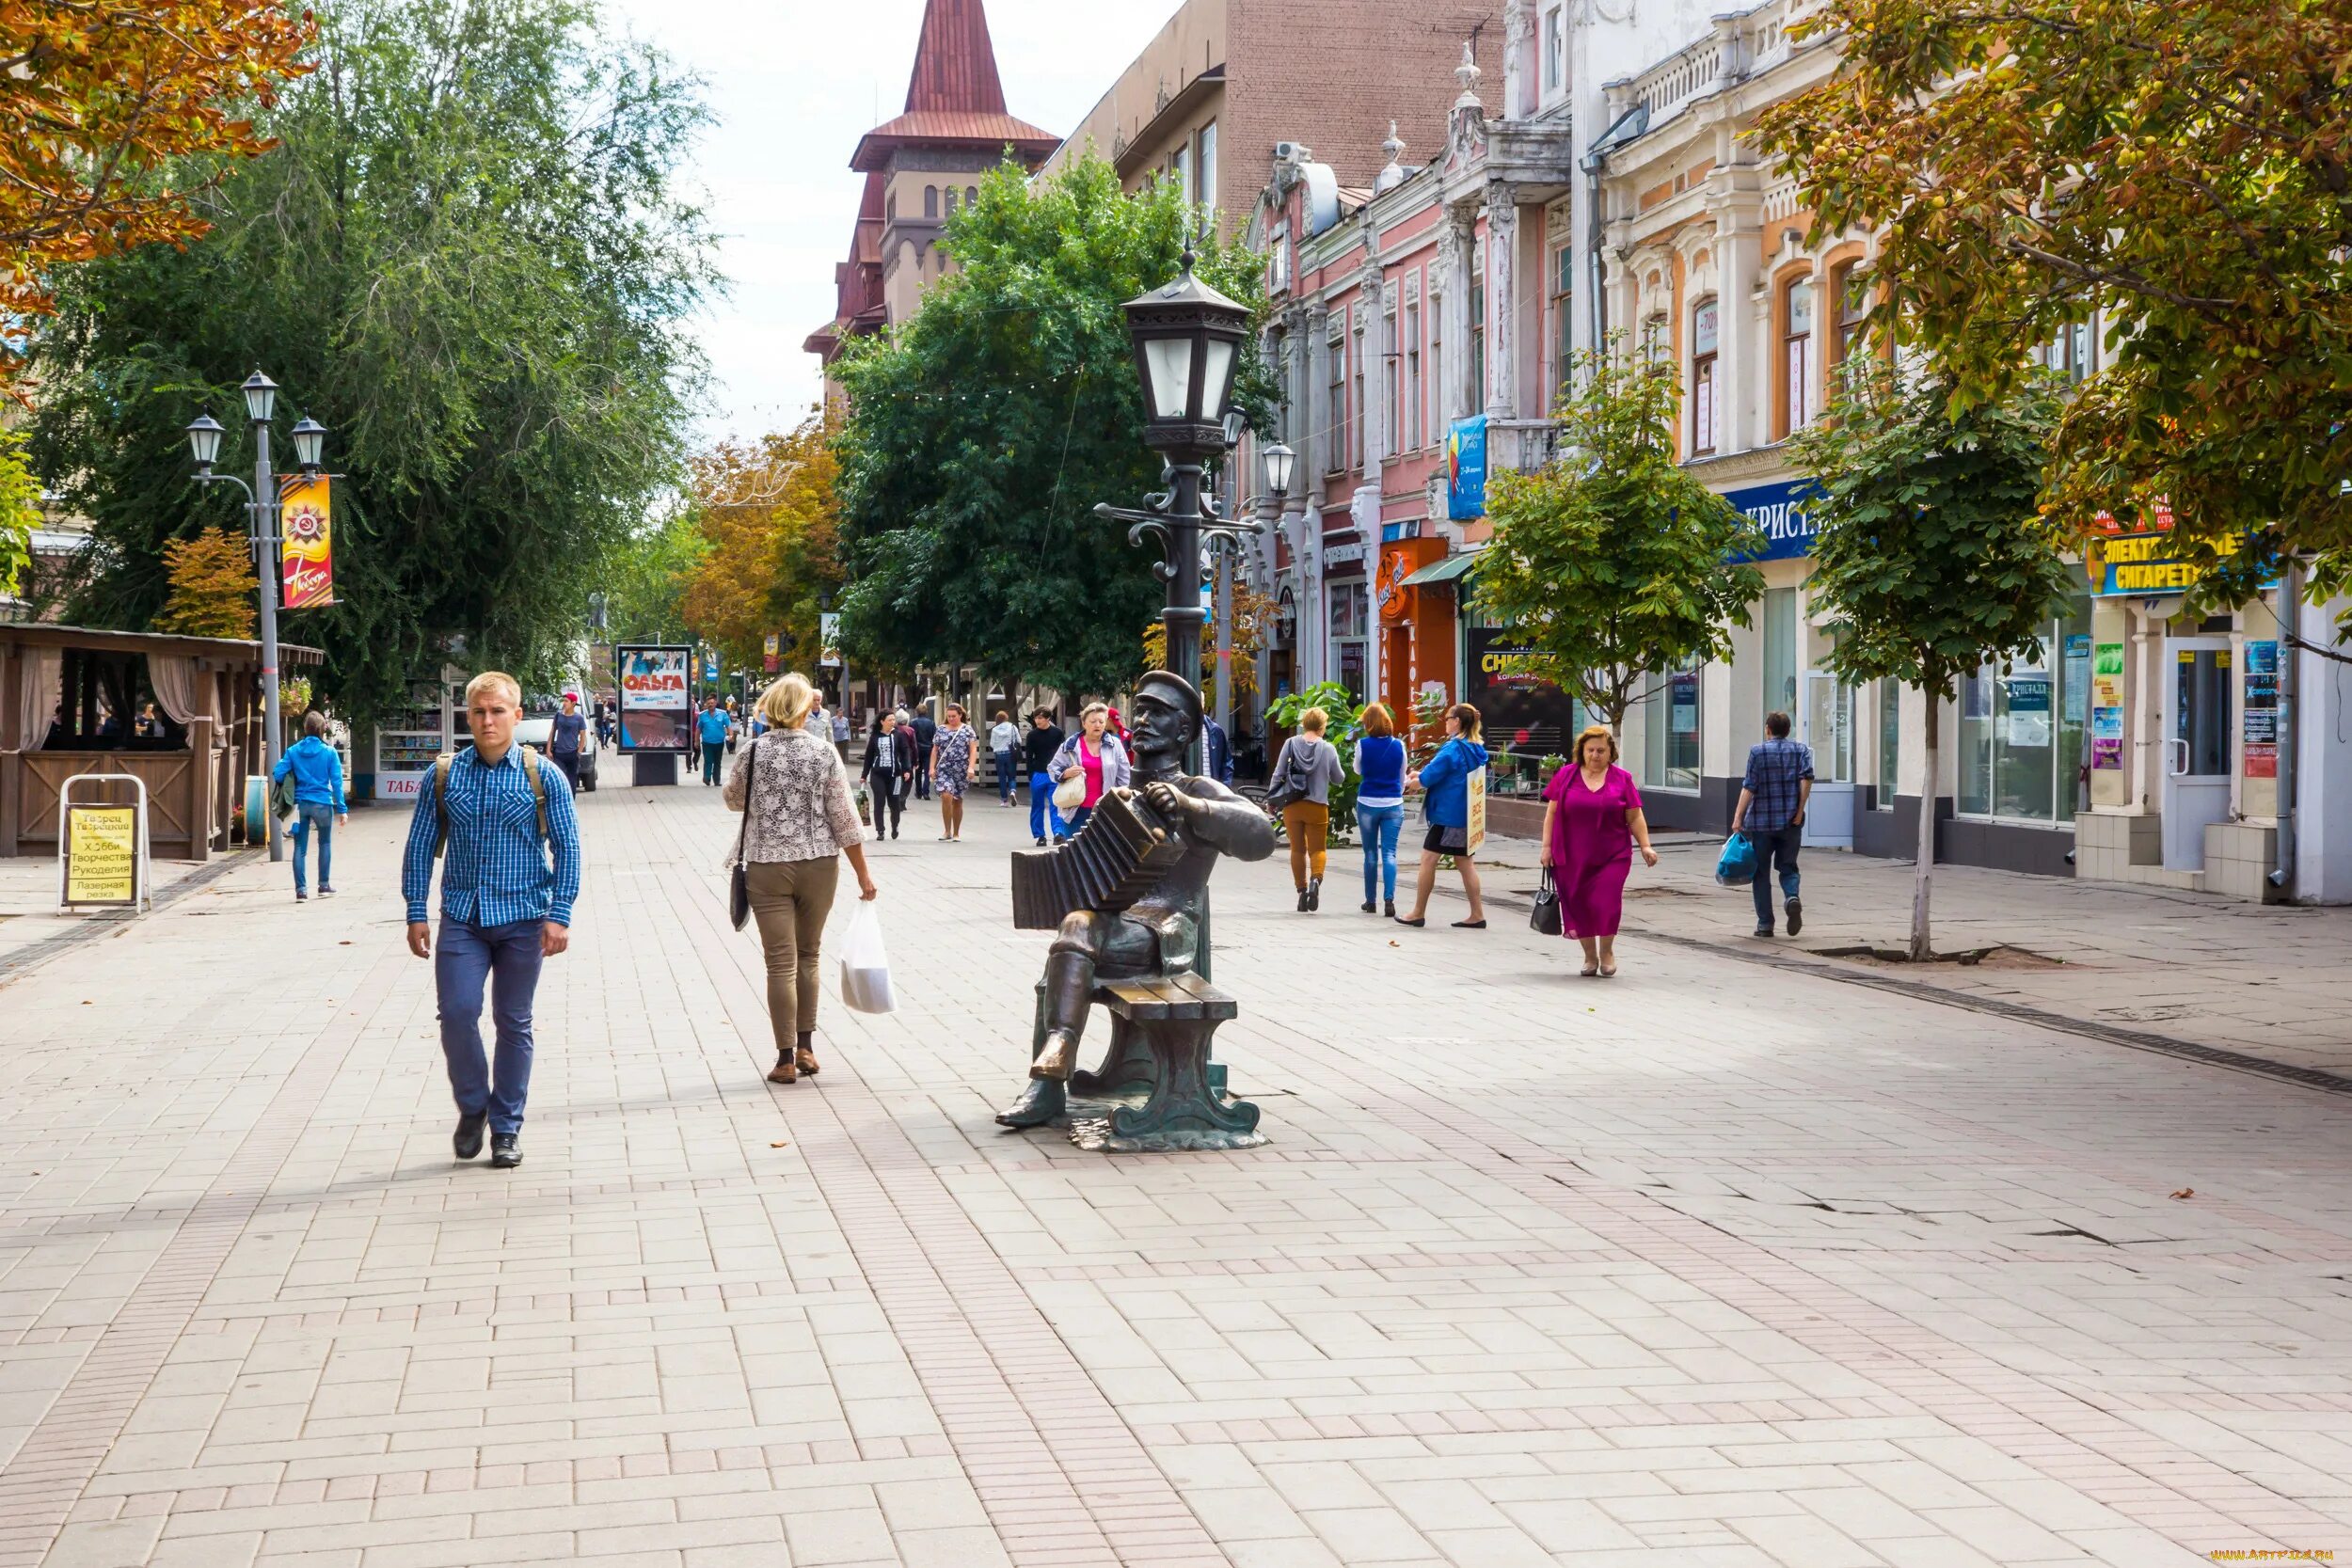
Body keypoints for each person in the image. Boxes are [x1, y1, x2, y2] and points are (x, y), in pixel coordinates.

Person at [996, 673, 1276, 1131]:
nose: (1141, 720)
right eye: (1139, 710)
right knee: (1071, 941)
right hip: (1118, 927)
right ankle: (1048, 1081)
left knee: (1076, 934)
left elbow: (1261, 837)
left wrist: (1190, 807)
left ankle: (1049, 1078)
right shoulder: (1120, 795)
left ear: (1184, 731)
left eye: (1157, 713)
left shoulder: (1197, 789)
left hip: (1166, 933)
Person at [401, 671, 581, 1170]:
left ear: (516, 716)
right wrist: (416, 910)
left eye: (497, 711)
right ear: (467, 716)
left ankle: (505, 1128)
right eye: (479, 712)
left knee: (512, 1021)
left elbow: (567, 849)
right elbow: (418, 847)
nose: (487, 720)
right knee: (457, 1013)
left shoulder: (544, 776)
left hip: (525, 918)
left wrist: (559, 915)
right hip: (463, 916)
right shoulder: (443, 775)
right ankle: (474, 1104)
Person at [725, 673, 879, 1085]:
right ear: (802, 709)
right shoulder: (824, 753)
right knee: (809, 955)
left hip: (766, 865)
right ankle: (808, 1048)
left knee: (780, 963)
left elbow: (733, 800)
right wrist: (864, 875)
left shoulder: (752, 751)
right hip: (819, 865)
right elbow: (845, 820)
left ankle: (785, 1059)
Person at [1541, 724, 1660, 977]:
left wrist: (1645, 845)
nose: (1595, 755)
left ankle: (1606, 952)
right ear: (1582, 751)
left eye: (1601, 751)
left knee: (1606, 901)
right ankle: (1589, 956)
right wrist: (1546, 847)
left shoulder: (1622, 778)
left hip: (1612, 854)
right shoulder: (1566, 776)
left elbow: (1635, 815)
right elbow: (1551, 813)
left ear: (1610, 752)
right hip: (1571, 855)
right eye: (1591, 750)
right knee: (1578, 903)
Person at [1399, 704, 1490, 928]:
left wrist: (1412, 780)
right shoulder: (1476, 748)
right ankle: (1477, 914)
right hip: (1468, 814)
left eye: (1448, 718)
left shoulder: (1452, 749)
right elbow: (1447, 775)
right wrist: (1421, 776)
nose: (1445, 721)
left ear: (1457, 721)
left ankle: (1418, 912)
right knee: (1465, 862)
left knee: (1429, 859)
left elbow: (1428, 778)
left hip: (1447, 816)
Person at [1733, 710, 1815, 938]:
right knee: (1788, 867)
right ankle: (1791, 896)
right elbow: (1806, 779)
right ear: (1788, 731)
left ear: (1768, 729)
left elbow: (1750, 786)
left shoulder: (1757, 752)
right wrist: (1799, 810)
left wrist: (1738, 816)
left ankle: (1765, 924)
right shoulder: (1801, 750)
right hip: (1791, 822)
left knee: (1760, 872)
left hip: (1761, 823)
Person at [1269, 706, 1343, 912]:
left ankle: (1302, 892)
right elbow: (1339, 779)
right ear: (1322, 726)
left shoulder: (1290, 744)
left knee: (1297, 849)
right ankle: (1315, 881)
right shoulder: (1328, 749)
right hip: (1318, 806)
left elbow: (1278, 773)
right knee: (1317, 849)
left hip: (1292, 805)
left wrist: (1271, 798)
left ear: (1304, 725)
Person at [271, 710, 348, 901]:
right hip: (323, 803)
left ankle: (301, 891)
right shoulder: (329, 752)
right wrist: (342, 809)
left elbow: (278, 773)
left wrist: (293, 777)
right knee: (325, 843)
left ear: (305, 729)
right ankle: (323, 886)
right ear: (323, 729)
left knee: (299, 848)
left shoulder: (293, 751)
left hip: (300, 805)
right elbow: (337, 782)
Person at [1352, 703, 1406, 917]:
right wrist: (1397, 791)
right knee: (1390, 853)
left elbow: (1357, 769)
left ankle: (1370, 901)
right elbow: (1402, 775)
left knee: (1370, 853)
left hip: (1367, 802)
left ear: (1368, 723)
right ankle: (1389, 899)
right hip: (1393, 803)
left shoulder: (1362, 744)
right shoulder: (1398, 745)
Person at [1048, 703, 1129, 838]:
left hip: (1105, 810)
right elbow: (1052, 769)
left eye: (1101, 721)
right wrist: (1065, 774)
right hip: (1076, 809)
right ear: (1084, 723)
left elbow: (1124, 777)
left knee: (1103, 853)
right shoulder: (1071, 745)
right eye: (1093, 721)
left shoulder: (1115, 745)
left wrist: (1121, 803)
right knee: (1074, 852)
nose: (1097, 725)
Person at [862, 711, 916, 838]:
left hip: (895, 775)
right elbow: (869, 756)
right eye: (890, 720)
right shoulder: (875, 736)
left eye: (893, 720)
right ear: (882, 721)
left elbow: (905, 753)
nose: (893, 722)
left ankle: (895, 825)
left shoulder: (898, 735)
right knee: (879, 801)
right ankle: (880, 830)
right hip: (877, 775)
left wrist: (907, 770)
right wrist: (864, 774)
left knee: (894, 803)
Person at [932, 703, 978, 841]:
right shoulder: (941, 729)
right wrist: (931, 768)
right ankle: (947, 830)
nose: (951, 718)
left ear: (960, 715)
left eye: (954, 716)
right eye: (949, 716)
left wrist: (971, 767)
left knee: (957, 800)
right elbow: (935, 749)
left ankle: (956, 832)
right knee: (946, 796)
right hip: (944, 768)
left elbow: (973, 750)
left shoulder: (967, 730)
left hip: (961, 769)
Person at [1024, 708, 1067, 846]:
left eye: (1041, 718)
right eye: (1036, 718)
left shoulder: (1057, 733)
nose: (1038, 721)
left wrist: (1063, 771)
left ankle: (1058, 833)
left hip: (1054, 773)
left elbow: (1064, 753)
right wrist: (1030, 774)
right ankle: (1040, 835)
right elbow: (1029, 756)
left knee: (1056, 804)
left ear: (1048, 718)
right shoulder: (1032, 735)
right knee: (1037, 805)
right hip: (1038, 773)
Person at [548, 695, 589, 792]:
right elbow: (552, 732)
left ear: (573, 703)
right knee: (559, 778)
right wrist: (548, 750)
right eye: (564, 701)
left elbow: (583, 736)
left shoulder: (579, 718)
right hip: (559, 754)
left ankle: (571, 801)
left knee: (572, 781)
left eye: (566, 701)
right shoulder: (558, 715)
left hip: (572, 754)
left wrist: (579, 752)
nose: (564, 703)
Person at [695, 698, 733, 786]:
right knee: (708, 760)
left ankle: (717, 780)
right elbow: (698, 729)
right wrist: (696, 741)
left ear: (716, 703)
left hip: (719, 742)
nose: (710, 705)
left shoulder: (722, 714)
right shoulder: (702, 715)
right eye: (709, 703)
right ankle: (707, 778)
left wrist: (731, 736)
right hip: (707, 742)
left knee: (717, 762)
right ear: (706, 704)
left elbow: (728, 726)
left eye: (712, 703)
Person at [989, 709, 1021, 805]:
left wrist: (998, 747)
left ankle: (1004, 800)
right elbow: (1019, 740)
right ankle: (1012, 791)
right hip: (1010, 754)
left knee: (1002, 777)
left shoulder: (994, 729)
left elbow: (992, 744)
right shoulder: (1012, 727)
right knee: (1012, 776)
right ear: (1006, 718)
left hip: (999, 755)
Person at [909, 705, 937, 800]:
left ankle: (918, 792)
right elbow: (935, 737)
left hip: (916, 750)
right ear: (926, 712)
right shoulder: (931, 723)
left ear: (917, 712)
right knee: (927, 772)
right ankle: (926, 792)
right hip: (928, 749)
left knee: (918, 771)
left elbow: (910, 737)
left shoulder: (913, 722)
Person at [1202, 711, 1233, 785]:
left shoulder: (1215, 730)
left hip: (1211, 788)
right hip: (1187, 790)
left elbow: (1227, 761)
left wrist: (1225, 785)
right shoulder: (1180, 729)